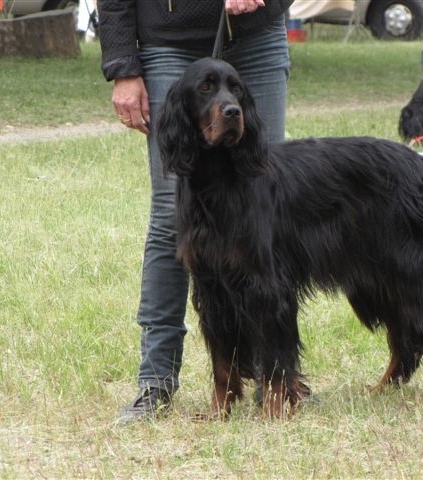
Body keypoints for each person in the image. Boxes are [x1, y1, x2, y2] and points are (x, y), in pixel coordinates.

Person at [98, 0, 294, 422]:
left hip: (258, 35)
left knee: (263, 210)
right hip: (168, 43)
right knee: (173, 218)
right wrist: (122, 65)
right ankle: (156, 381)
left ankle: (274, 378)